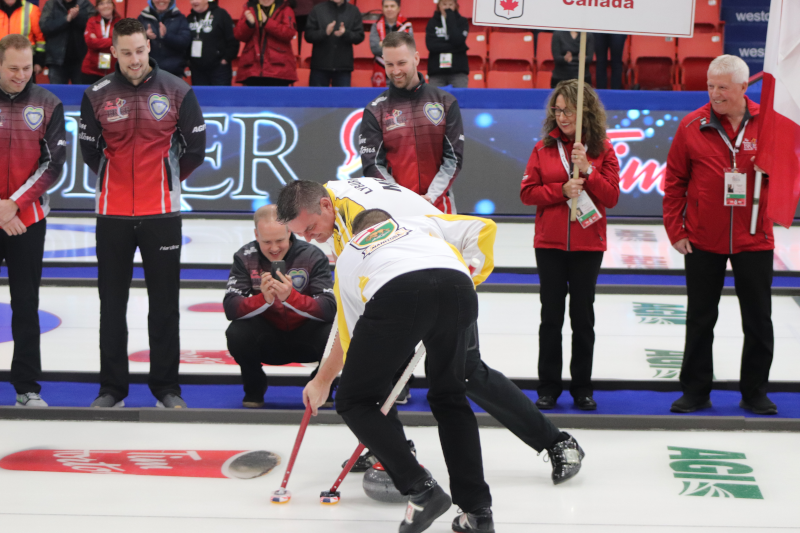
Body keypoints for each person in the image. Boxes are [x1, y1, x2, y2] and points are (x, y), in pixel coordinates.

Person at [277, 178, 586, 487]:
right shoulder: (331, 206)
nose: (310, 239)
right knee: (377, 365)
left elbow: (476, 230)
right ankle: (388, 448)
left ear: (325, 205)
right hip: (399, 288)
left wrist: (323, 379)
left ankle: (558, 443)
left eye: (310, 228)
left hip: (437, 280)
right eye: (301, 234)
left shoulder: (365, 211)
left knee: (466, 372)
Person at [312, 208, 494, 533]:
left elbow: (352, 335)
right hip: (459, 287)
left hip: (398, 294)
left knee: (355, 401)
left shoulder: (351, 253)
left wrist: (327, 380)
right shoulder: (423, 231)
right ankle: (478, 512)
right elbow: (483, 228)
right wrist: (470, 278)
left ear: (358, 233)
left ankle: (421, 488)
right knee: (450, 398)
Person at [79, 18, 206, 409]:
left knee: (165, 306)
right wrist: (115, 184)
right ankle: (111, 389)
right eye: (126, 52)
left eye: (140, 50)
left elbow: (195, 151)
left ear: (149, 46)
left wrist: (165, 182)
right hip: (112, 215)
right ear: (113, 52)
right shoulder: (96, 94)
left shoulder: (178, 90)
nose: (134, 60)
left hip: (162, 214)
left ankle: (167, 388)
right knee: (111, 305)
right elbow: (90, 152)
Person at [663, 55, 777, 415]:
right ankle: (696, 390)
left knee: (758, 318)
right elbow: (674, 182)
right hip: (701, 237)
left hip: (754, 236)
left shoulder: (771, 124)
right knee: (700, 317)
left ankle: (755, 391)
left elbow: (791, 171)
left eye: (723, 87)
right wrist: (675, 229)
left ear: (744, 87)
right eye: (710, 86)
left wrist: (772, 172)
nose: (714, 93)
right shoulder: (691, 125)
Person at [520, 79, 621, 411]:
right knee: (550, 316)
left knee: (582, 317)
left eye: (569, 110)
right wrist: (560, 191)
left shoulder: (604, 149)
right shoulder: (542, 148)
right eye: (558, 110)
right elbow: (527, 193)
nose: (562, 117)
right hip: (549, 243)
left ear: (585, 111)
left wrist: (589, 169)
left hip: (588, 245)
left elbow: (611, 197)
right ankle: (548, 387)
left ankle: (582, 387)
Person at [0, 34, 65, 407]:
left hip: (28, 219)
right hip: (8, 212)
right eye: (13, 68)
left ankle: (26, 387)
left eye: (27, 68)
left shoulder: (48, 103)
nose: (22, 75)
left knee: (26, 303)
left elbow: (53, 165)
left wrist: (13, 205)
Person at [224, 205, 336, 408]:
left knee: (336, 333)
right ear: (256, 235)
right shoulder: (245, 256)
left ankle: (322, 385)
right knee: (236, 332)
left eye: (280, 241)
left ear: (290, 232)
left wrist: (291, 298)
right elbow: (231, 308)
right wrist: (263, 299)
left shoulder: (312, 255)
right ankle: (254, 387)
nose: (274, 248)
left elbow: (329, 309)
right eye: (267, 242)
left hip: (307, 338)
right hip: (267, 339)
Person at [360, 31, 461, 214]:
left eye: (401, 63)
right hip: (396, 211)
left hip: (440, 209)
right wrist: (404, 199)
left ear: (416, 58)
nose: (395, 71)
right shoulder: (375, 110)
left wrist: (430, 197)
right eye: (389, 64)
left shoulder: (445, 102)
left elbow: (453, 159)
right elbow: (372, 165)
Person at [234, 0, 297, 86]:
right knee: (252, 99)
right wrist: (249, 24)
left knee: (277, 99)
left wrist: (267, 22)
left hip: (278, 70)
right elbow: (238, 35)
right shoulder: (249, 8)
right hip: (252, 69)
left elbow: (289, 33)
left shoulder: (285, 9)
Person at [303, 0, 363, 87]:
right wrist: (325, 33)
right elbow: (308, 35)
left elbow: (359, 36)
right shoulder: (317, 10)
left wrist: (345, 33)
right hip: (320, 66)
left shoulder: (353, 11)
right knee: (317, 99)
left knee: (342, 99)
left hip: (343, 67)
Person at [39, 0, 95, 84]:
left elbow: (94, 24)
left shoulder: (84, 3)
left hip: (81, 60)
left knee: (82, 94)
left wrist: (77, 16)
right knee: (57, 95)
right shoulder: (51, 3)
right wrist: (67, 19)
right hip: (56, 61)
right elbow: (45, 26)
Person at [186, 0, 238, 86]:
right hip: (197, 71)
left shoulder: (221, 14)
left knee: (220, 98)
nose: (194, 2)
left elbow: (233, 39)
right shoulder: (190, 18)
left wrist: (226, 59)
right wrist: (189, 61)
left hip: (219, 69)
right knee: (201, 99)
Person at [138, 0, 191, 78]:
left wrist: (166, 36)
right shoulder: (142, 18)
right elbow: (133, 44)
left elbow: (185, 42)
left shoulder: (180, 18)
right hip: (148, 73)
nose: (161, 0)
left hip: (173, 74)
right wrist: (145, 36)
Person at [425, 0, 468, 89]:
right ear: (438, 6)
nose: (447, 7)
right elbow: (431, 46)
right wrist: (457, 47)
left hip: (458, 71)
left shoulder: (462, 21)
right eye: (444, 4)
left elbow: (457, 40)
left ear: (455, 5)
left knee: (459, 101)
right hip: (437, 71)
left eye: (450, 4)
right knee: (435, 101)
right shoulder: (432, 23)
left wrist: (450, 18)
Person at [368, 0, 411, 88]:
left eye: (392, 6)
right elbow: (375, 48)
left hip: (401, 71)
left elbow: (408, 48)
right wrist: (397, 46)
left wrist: (384, 44)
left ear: (398, 8)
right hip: (382, 70)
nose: (389, 9)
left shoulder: (406, 26)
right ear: (382, 8)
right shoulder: (376, 26)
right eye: (386, 6)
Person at [0, 0, 46, 77]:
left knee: (24, 88)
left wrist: (39, 62)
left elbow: (41, 40)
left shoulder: (31, 9)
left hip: (23, 64)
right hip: (1, 60)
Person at [81, 0, 121, 84]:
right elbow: (90, 42)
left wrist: (98, 41)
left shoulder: (120, 22)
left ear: (113, 6)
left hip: (113, 71)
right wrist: (112, 40)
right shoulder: (91, 22)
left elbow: (121, 42)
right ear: (97, 8)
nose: (106, 6)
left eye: (108, 2)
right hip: (91, 71)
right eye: (102, 4)